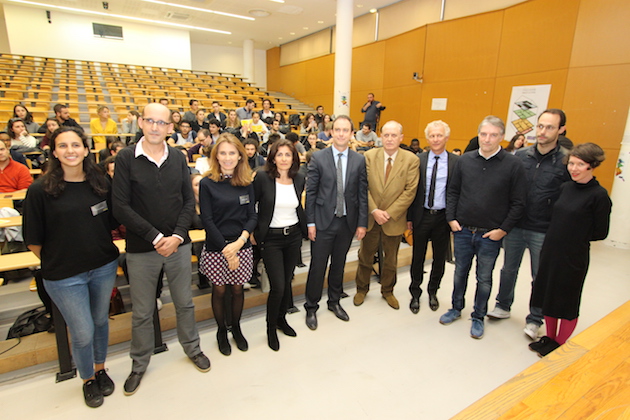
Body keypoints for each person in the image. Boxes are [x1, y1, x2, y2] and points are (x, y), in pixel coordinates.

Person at [112, 103, 210, 397]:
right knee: (142, 311)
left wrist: (178, 235)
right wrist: (156, 237)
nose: (155, 127)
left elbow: (186, 202)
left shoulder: (178, 158)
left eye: (161, 122)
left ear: (170, 128)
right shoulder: (127, 158)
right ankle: (139, 363)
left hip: (178, 246)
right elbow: (120, 207)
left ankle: (192, 348)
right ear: (141, 123)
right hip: (143, 249)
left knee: (185, 303)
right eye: (150, 121)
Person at [22, 127, 119, 408]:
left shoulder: (100, 182)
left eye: (76, 145)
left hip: (102, 265)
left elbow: (111, 222)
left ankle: (100, 369)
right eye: (63, 146)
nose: (70, 151)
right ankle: (87, 378)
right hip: (64, 275)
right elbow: (33, 240)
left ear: (86, 149)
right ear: (54, 152)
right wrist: (61, 258)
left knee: (101, 321)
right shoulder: (40, 190)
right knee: (83, 330)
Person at [439, 116, 526, 339]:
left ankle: (478, 316)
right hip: (463, 230)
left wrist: (503, 230)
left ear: (502, 137)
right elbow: (453, 191)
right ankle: (456, 308)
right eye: (483, 134)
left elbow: (518, 202)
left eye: (493, 135)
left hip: (491, 234)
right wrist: (451, 219)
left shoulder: (513, 164)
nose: (487, 139)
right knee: (459, 273)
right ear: (478, 135)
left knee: (484, 278)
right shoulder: (464, 161)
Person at [488, 109, 571, 340]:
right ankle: (503, 306)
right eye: (540, 126)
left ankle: (535, 319)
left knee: (540, 276)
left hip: (543, 229)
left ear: (561, 129)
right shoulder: (520, 155)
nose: (543, 132)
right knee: (508, 269)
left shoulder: (565, 160)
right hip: (515, 225)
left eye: (550, 127)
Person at [529, 143, 611, 357]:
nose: (574, 169)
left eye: (580, 165)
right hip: (551, 251)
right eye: (571, 163)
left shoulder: (599, 195)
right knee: (547, 295)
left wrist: (574, 235)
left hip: (573, 255)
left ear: (592, 166)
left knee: (566, 300)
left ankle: (560, 342)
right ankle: (548, 337)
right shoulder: (566, 187)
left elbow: (600, 232)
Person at [304, 116, 368, 330]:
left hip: (347, 223)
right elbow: (310, 193)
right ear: (331, 133)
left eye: (345, 130)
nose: (341, 134)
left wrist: (361, 223)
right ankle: (311, 307)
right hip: (322, 222)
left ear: (352, 134)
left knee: (339, 265)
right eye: (337, 130)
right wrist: (310, 222)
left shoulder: (359, 160)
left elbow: (361, 194)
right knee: (317, 266)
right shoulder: (319, 158)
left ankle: (334, 302)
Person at [198, 134, 257, 356]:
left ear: (240, 155)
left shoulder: (246, 182)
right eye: (223, 153)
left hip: (241, 245)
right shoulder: (207, 183)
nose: (227, 157)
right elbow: (207, 220)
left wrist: (240, 242)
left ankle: (237, 328)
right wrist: (226, 248)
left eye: (232, 153)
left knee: (238, 289)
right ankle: (222, 330)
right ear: (216, 156)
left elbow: (252, 217)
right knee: (220, 290)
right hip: (216, 247)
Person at [353, 121, 419, 310]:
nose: (389, 138)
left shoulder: (411, 160)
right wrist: (374, 210)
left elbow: (410, 191)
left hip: (394, 219)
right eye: (386, 135)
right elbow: (362, 187)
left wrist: (388, 213)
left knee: (391, 260)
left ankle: (387, 291)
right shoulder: (369, 156)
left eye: (393, 135)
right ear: (381, 136)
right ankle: (361, 289)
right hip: (371, 218)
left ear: (401, 138)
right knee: (365, 256)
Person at [253, 139, 307, 350]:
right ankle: (269, 327)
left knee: (287, 281)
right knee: (278, 286)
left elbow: (298, 207)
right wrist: (253, 232)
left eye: (288, 154)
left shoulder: (299, 178)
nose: (284, 159)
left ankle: (281, 320)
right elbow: (252, 205)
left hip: (292, 237)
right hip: (271, 239)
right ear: (273, 157)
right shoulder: (262, 177)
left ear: (294, 157)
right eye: (280, 154)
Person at [407, 120, 459, 313]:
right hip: (421, 215)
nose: (436, 139)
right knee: (417, 257)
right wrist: (410, 218)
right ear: (427, 138)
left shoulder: (456, 162)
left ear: (446, 137)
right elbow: (412, 191)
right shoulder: (417, 160)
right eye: (432, 136)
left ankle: (433, 291)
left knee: (439, 258)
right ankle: (415, 292)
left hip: (443, 218)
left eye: (439, 135)